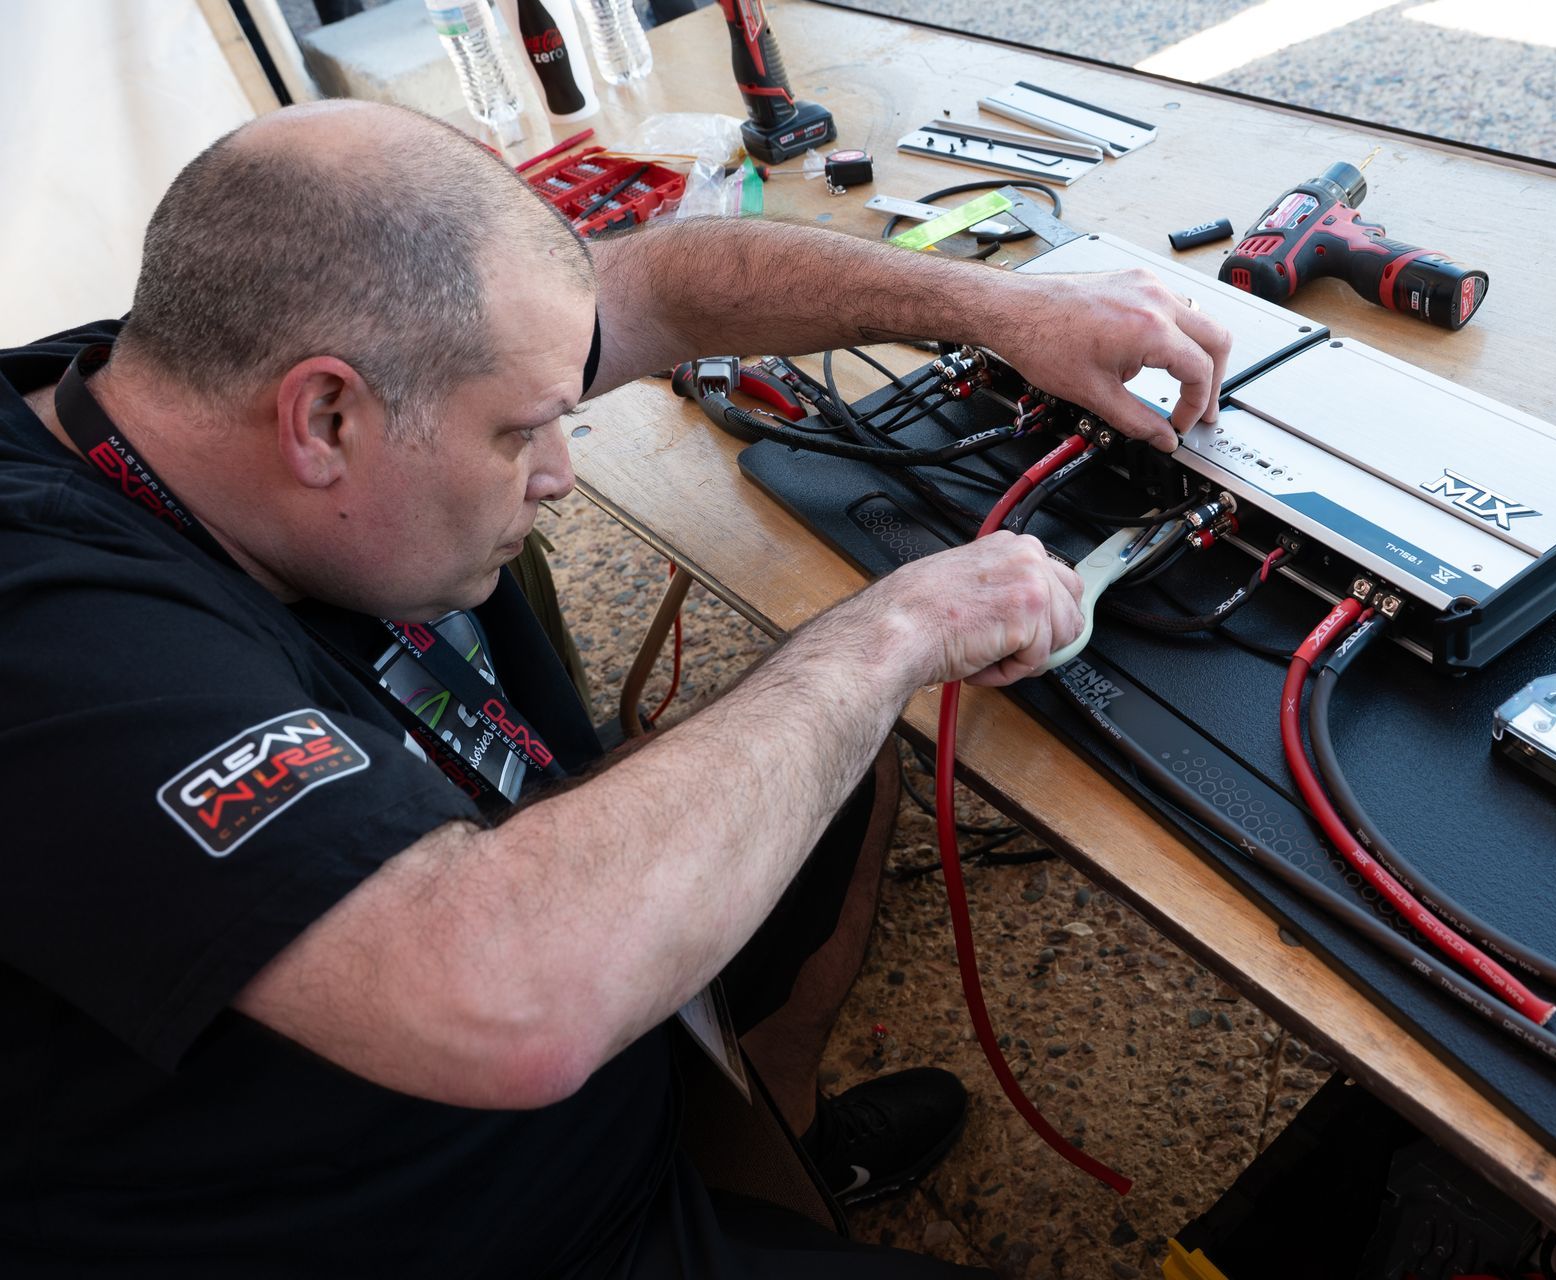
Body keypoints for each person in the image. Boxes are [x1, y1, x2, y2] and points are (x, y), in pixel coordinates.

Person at [0, 100, 1230, 1276]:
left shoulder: (188, 382)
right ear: (322, 417)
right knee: (832, 704)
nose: (560, 474)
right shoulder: (55, 634)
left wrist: (994, 304)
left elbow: (657, 287)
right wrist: (891, 628)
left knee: (840, 775)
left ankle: (769, 1150)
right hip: (463, 1228)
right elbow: (505, 995)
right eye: (520, 432)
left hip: (576, 1045)